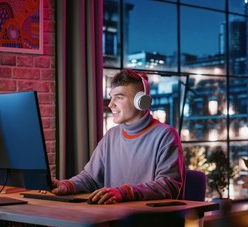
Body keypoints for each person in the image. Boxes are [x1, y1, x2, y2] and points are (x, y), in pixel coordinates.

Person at [51, 68, 185, 204]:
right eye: (111, 97)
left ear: (141, 101)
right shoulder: (111, 135)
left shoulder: (166, 135)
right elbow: (91, 178)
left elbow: (168, 186)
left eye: (119, 97)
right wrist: (66, 185)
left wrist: (124, 192)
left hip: (148, 222)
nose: (110, 104)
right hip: (114, 218)